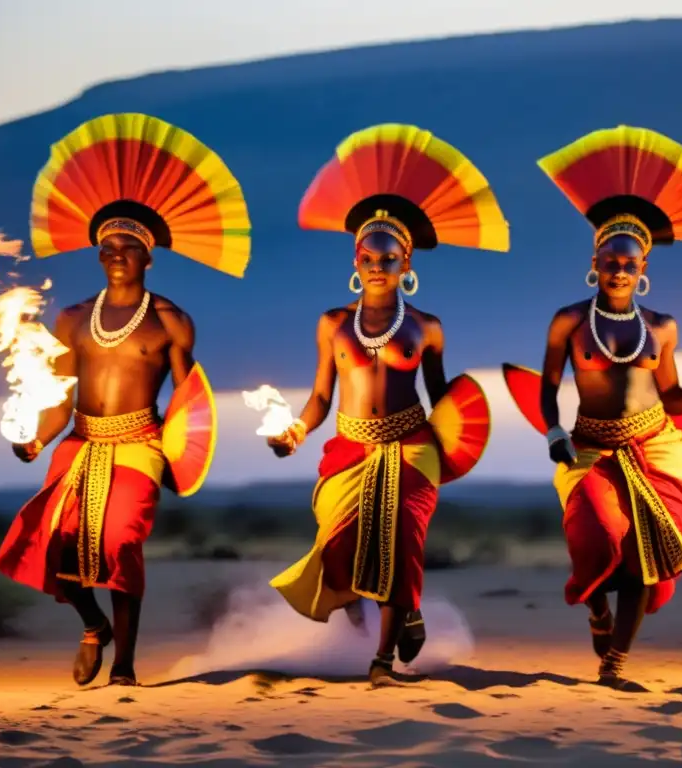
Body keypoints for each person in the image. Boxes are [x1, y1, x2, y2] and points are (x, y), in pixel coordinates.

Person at [0, 113, 251, 686]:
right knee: (53, 540)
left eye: (128, 244)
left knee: (121, 543)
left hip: (140, 444)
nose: (116, 252)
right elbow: (60, 395)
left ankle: (126, 669)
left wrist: (185, 457)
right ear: (97, 252)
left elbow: (189, 399)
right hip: (80, 441)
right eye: (107, 244)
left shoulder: (171, 322)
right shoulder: (72, 318)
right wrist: (38, 436)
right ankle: (93, 628)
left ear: (148, 255)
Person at [266, 123, 508, 687]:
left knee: (402, 541)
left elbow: (444, 396)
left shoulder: (427, 328)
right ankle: (395, 612)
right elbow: (322, 395)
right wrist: (297, 432)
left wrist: (467, 435)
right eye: (370, 255)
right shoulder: (332, 324)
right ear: (356, 259)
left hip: (413, 445)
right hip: (349, 445)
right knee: (340, 542)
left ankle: (381, 663)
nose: (379, 265)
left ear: (407, 265)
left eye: (390, 257)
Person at [503, 125, 682, 689]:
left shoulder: (661, 327)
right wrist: (554, 431)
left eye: (629, 263)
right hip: (589, 446)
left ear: (643, 270)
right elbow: (548, 385)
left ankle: (614, 665)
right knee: (594, 533)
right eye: (609, 259)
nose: (618, 270)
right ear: (594, 259)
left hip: (655, 444)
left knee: (645, 552)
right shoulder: (568, 320)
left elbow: (670, 392)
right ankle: (596, 611)